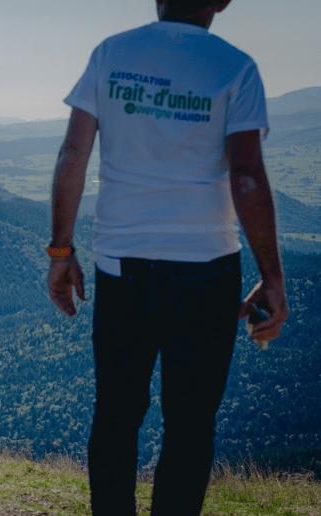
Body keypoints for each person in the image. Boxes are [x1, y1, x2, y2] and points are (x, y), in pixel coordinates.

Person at [47, 1, 289, 514]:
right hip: (207, 270)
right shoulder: (235, 67)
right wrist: (272, 276)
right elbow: (245, 177)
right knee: (191, 423)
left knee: (115, 415)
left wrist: (61, 251)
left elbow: (73, 155)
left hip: (121, 266)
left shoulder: (111, 54)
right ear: (222, 0)